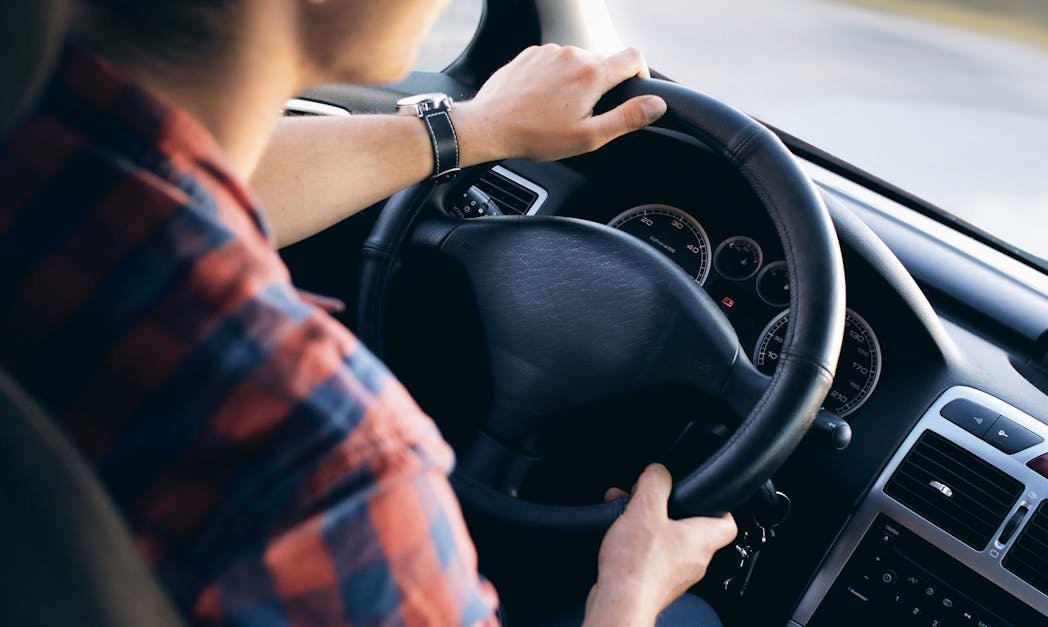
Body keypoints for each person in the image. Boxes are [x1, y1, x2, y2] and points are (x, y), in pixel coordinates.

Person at [0, 0, 738, 625]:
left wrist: (473, 128)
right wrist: (628, 594)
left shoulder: (36, 145)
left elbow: (188, 184)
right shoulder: (327, 464)